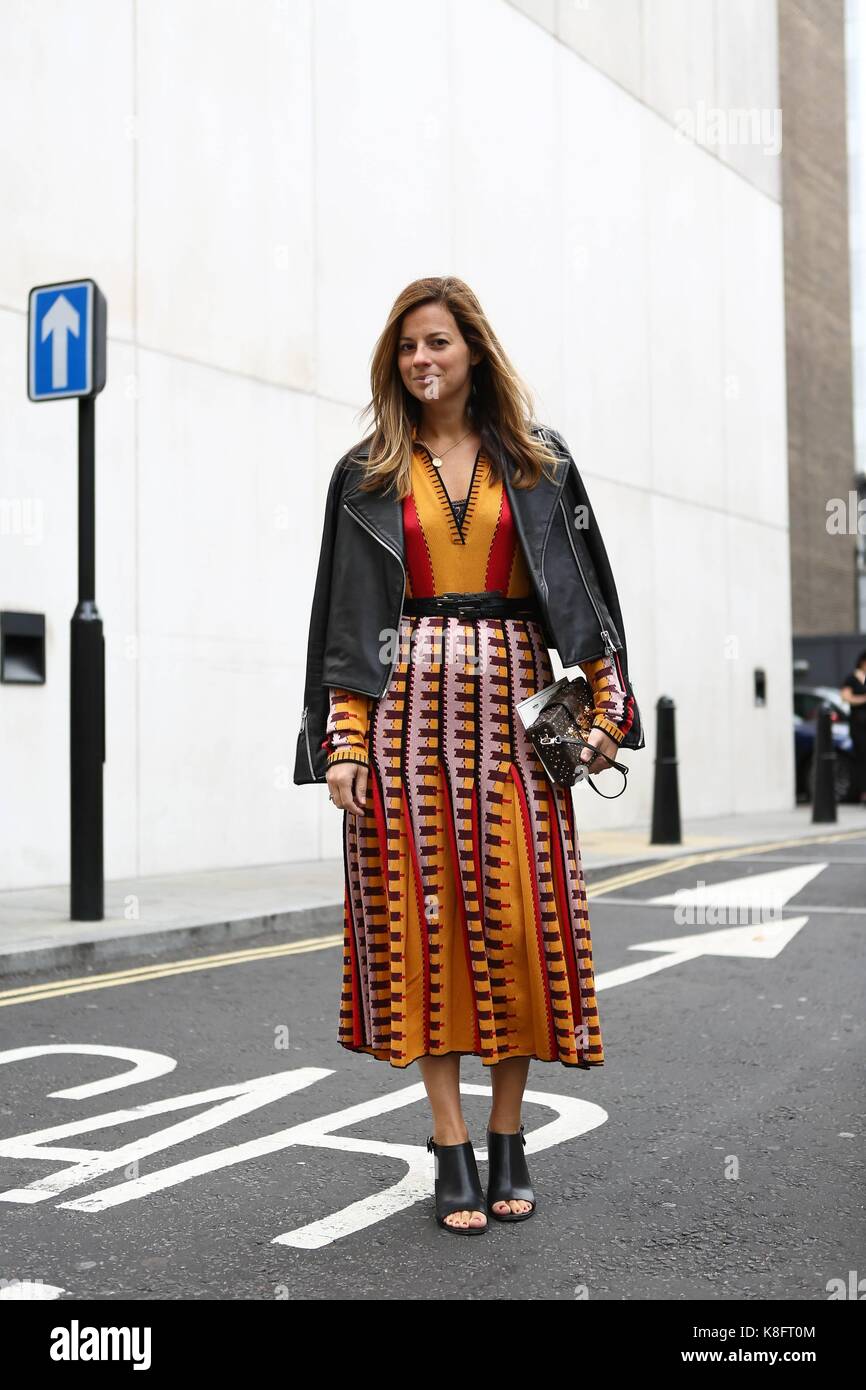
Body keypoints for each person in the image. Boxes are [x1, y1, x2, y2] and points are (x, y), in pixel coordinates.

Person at [294, 276, 644, 1235]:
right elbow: (343, 621)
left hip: (513, 721)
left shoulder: (538, 460)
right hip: (403, 724)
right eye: (408, 346)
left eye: (438, 342)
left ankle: (508, 1134)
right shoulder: (364, 472)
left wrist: (609, 703)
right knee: (422, 933)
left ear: (473, 351)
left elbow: (586, 593)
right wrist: (345, 741)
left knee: (519, 926)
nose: (422, 361)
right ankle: (449, 1147)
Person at [840, 650, 866, 804]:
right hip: (859, 725)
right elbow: (845, 697)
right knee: (862, 758)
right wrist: (863, 698)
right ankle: (863, 792)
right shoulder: (852, 678)